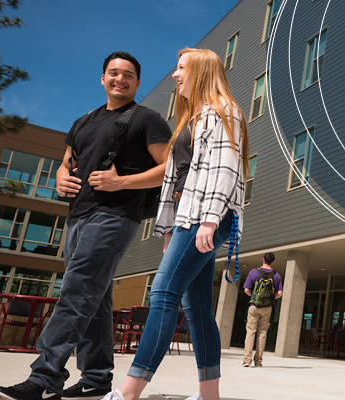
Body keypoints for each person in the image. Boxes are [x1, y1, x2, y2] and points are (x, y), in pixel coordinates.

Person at [0, 51, 172, 400]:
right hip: (77, 214)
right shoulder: (84, 120)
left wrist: (122, 183)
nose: (120, 79)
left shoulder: (147, 119)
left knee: (77, 290)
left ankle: (45, 378)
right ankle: (96, 377)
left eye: (128, 75)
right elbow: (66, 163)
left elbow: (172, 167)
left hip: (115, 215)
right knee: (96, 296)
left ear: (137, 83)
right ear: (102, 78)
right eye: (113, 73)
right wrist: (60, 178)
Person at [102, 47, 249, 400]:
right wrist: (169, 227)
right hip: (189, 218)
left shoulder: (222, 111)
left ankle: (128, 392)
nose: (175, 75)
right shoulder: (193, 118)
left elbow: (225, 169)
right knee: (196, 309)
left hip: (206, 217)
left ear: (200, 71)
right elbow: (177, 178)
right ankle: (209, 395)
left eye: (181, 68)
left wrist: (210, 220)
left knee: (164, 292)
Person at [242, 252, 283, 367]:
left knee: (250, 332)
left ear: (263, 259)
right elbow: (280, 293)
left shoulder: (254, 272)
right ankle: (258, 361)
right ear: (273, 262)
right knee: (262, 333)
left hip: (254, 306)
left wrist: (253, 297)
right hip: (267, 308)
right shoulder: (276, 275)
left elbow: (246, 289)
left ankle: (247, 360)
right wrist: (270, 299)